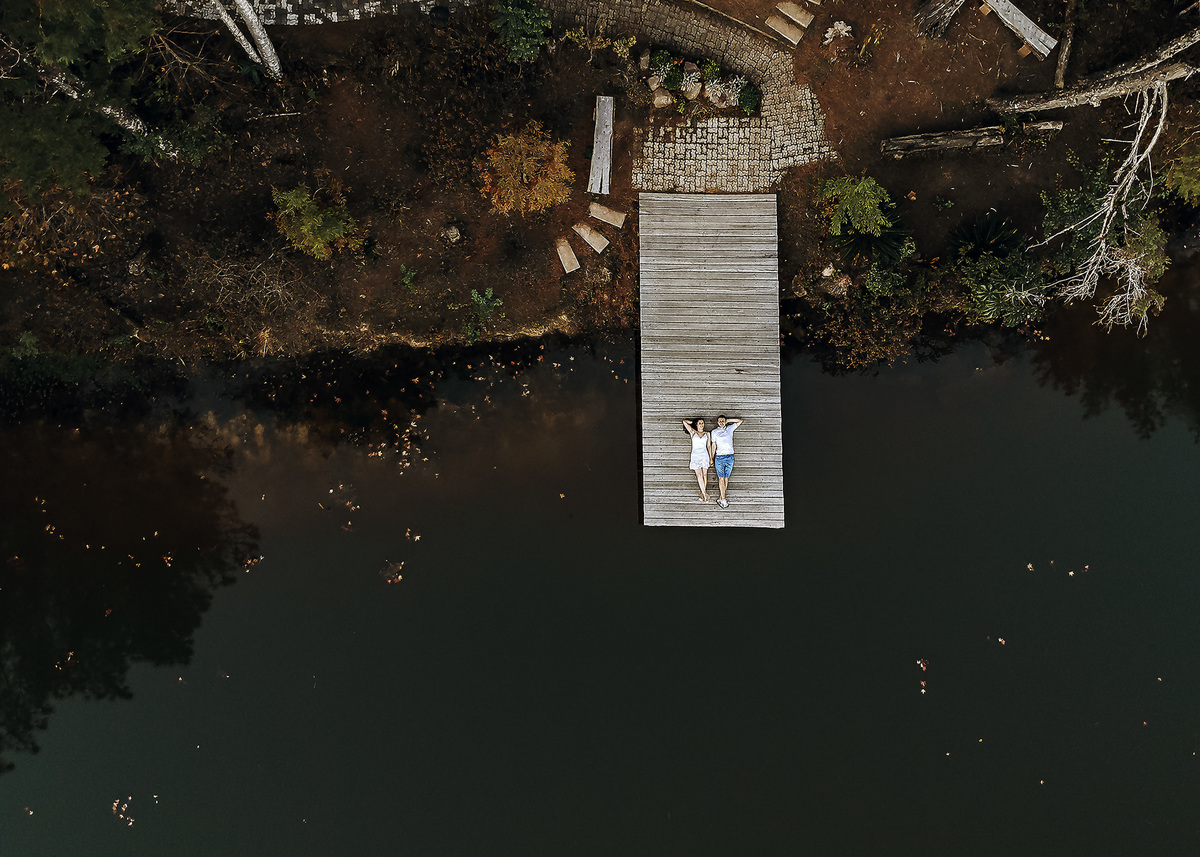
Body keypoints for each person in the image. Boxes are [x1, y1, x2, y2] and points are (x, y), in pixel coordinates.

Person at [709, 414, 743, 508]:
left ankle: (721, 498)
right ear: (717, 422)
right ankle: (723, 499)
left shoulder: (730, 429)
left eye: (723, 421)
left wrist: (728, 420)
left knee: (726, 478)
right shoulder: (714, 432)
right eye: (720, 421)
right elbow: (713, 445)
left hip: (730, 456)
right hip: (719, 457)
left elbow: (740, 421)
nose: (721, 422)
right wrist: (711, 458)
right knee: (721, 478)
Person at [682, 417, 713, 502]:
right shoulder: (693, 432)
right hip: (695, 456)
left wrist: (711, 458)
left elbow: (709, 446)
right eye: (700, 423)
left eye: (702, 423)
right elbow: (684, 422)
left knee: (705, 475)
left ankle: (703, 494)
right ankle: (705, 494)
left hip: (704, 455)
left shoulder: (707, 434)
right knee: (699, 475)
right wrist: (692, 422)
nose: (702, 425)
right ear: (696, 424)